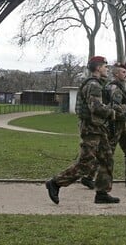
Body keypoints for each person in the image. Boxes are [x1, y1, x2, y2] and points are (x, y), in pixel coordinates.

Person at [45, 56, 119, 204]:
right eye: (105, 66)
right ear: (98, 68)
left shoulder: (97, 84)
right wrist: (112, 112)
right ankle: (55, 182)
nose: (107, 69)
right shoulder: (94, 85)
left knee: (107, 159)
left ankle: (102, 193)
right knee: (85, 163)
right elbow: (96, 107)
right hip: (91, 129)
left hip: (98, 128)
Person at [81, 63, 126, 188]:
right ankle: (89, 177)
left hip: (121, 125)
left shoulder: (120, 87)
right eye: (123, 72)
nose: (125, 74)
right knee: (107, 153)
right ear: (116, 74)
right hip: (114, 125)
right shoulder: (114, 88)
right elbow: (115, 107)